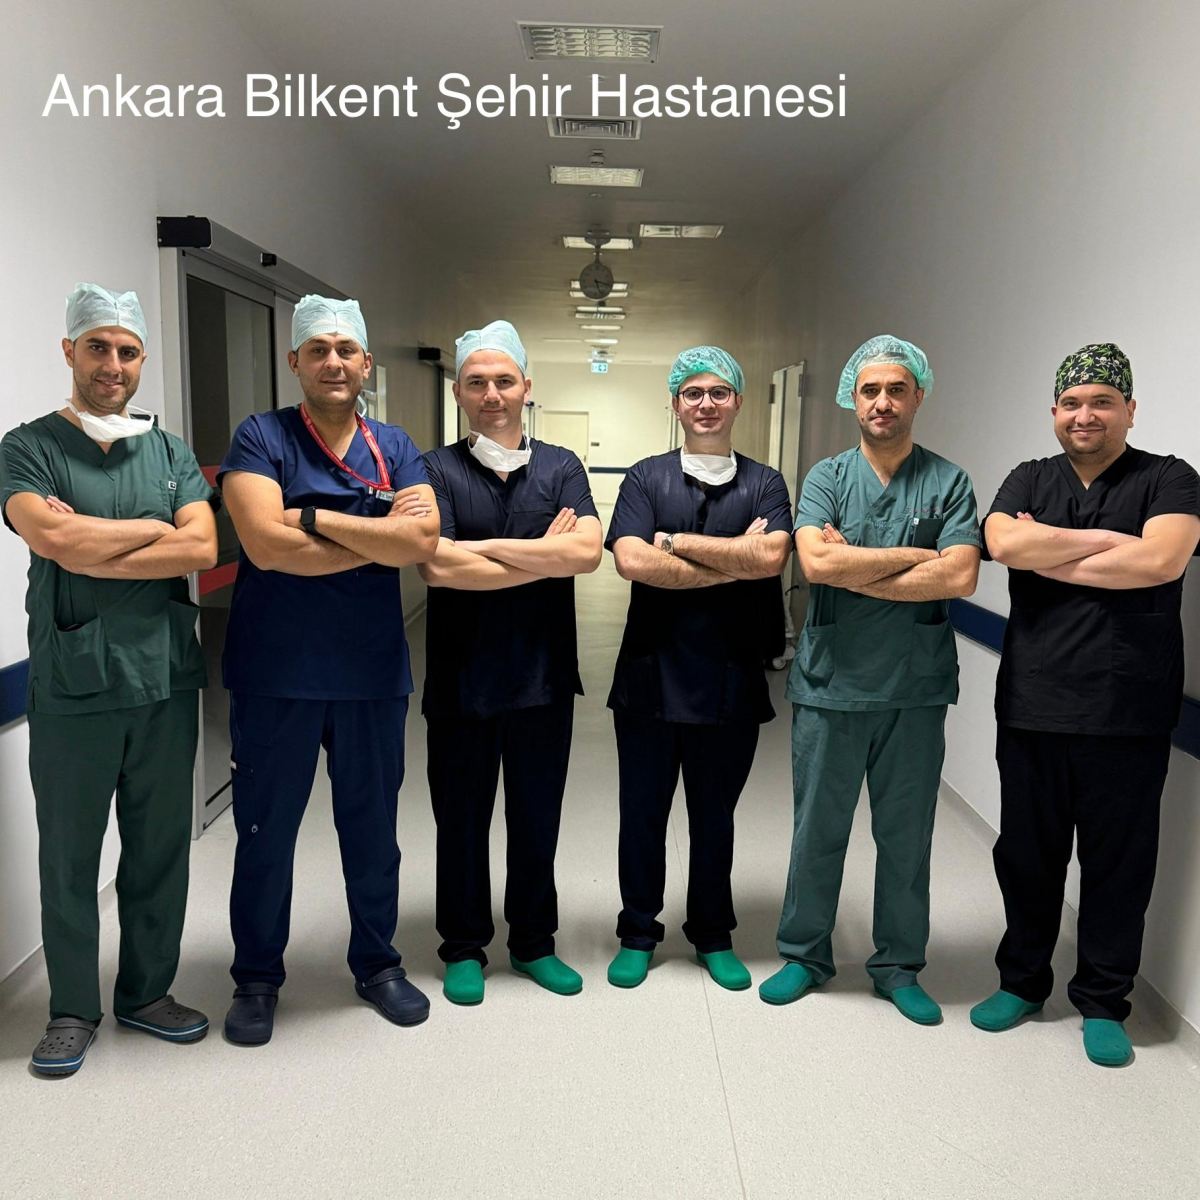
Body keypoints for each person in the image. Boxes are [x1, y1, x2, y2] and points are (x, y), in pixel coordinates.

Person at [0, 283, 218, 1076]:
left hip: (163, 680)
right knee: (69, 855)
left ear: (142, 360)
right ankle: (70, 1009)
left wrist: (95, 540)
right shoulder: (28, 447)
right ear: (70, 350)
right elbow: (55, 542)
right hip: (74, 688)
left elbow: (201, 548)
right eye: (98, 347)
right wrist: (153, 530)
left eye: (128, 351)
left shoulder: (169, 452)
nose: (113, 365)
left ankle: (147, 993)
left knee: (159, 849)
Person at [970, 343, 1199, 1067]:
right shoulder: (1029, 476)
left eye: (1102, 401)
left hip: (1129, 710)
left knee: (1118, 865)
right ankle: (1021, 982)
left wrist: (1049, 548)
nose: (1085, 414)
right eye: (1072, 402)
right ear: (1054, 412)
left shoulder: (1169, 478)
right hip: (1033, 704)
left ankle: (1103, 1001)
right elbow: (1002, 543)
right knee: (1026, 857)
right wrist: (1105, 544)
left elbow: (1160, 559)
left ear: (1130, 409)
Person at [218, 295, 439, 1044]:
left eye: (346, 349)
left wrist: (309, 517)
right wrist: (376, 535)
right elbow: (263, 545)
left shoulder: (395, 445)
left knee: (373, 832)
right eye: (318, 350)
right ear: (295, 362)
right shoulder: (261, 437)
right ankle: (256, 978)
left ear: (367, 362)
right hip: (276, 674)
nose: (333, 362)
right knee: (265, 833)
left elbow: (420, 543)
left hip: (370, 676)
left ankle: (378, 965)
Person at [760, 335, 980, 1025]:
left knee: (906, 836)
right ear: (852, 399)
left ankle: (898, 965)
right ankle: (804, 954)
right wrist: (916, 558)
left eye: (896, 390)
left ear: (919, 396)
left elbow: (961, 574)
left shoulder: (949, 481)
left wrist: (859, 561)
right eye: (870, 390)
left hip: (914, 689)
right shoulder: (825, 478)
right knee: (817, 830)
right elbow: (818, 565)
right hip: (831, 684)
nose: (882, 402)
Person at [417, 320, 602, 1005]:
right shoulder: (434, 469)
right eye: (477, 382)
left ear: (526, 386)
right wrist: (542, 556)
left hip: (542, 678)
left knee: (536, 817)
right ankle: (464, 946)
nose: (491, 394)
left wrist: (480, 551)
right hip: (462, 681)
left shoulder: (562, 466)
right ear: (459, 392)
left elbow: (586, 552)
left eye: (503, 381)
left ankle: (533, 943)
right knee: (460, 820)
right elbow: (436, 566)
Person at [605, 346, 792, 990]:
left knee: (715, 819)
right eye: (693, 393)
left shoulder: (765, 482)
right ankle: (637, 931)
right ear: (675, 404)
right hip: (649, 678)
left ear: (737, 401)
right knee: (643, 816)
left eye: (718, 392)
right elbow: (632, 561)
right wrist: (734, 557)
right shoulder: (645, 478)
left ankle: (713, 933)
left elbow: (770, 560)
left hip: (730, 681)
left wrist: (676, 543)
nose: (706, 403)